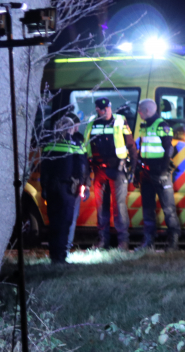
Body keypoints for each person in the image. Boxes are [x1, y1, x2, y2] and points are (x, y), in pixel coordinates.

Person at [84, 97, 137, 251]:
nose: (106, 111)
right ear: (97, 110)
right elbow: (86, 145)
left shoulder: (120, 121)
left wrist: (132, 168)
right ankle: (103, 241)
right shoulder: (92, 122)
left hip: (117, 170)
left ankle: (123, 242)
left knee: (119, 206)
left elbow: (131, 145)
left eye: (107, 108)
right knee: (101, 207)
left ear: (110, 107)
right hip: (99, 169)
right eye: (103, 109)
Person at [135, 99, 181, 251]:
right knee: (148, 208)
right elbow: (142, 148)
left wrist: (163, 172)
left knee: (168, 208)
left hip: (159, 173)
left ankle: (173, 243)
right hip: (146, 172)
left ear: (147, 111)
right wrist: (137, 171)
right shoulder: (144, 125)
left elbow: (169, 149)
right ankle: (149, 241)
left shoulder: (162, 125)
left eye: (140, 110)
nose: (139, 113)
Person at [41, 116, 89, 263]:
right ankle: (61, 257)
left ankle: (53, 256)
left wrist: (44, 188)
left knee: (54, 222)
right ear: (70, 128)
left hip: (51, 188)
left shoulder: (49, 145)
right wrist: (83, 185)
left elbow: (44, 169)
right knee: (65, 222)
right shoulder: (77, 145)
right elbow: (82, 168)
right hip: (68, 188)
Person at [65, 112, 89, 252]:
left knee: (62, 217)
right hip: (74, 184)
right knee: (71, 217)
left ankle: (61, 248)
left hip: (61, 184)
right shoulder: (78, 141)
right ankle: (66, 247)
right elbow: (83, 164)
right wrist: (85, 184)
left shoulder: (53, 140)